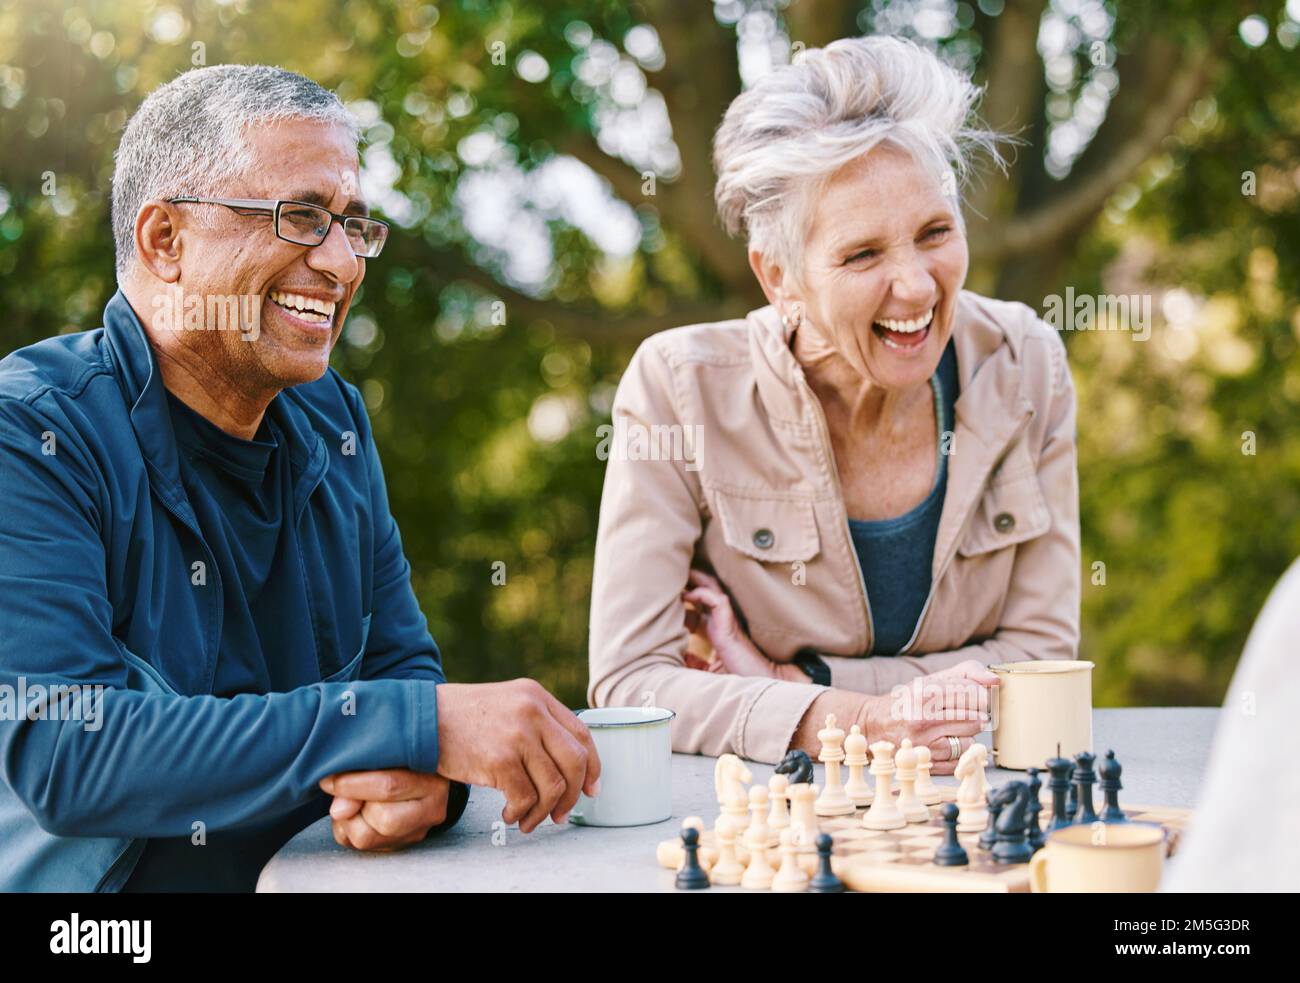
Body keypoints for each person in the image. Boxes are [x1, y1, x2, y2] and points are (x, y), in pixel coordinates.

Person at [0, 65, 598, 892]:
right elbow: (69, 751)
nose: (342, 262)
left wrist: (430, 787)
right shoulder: (32, 430)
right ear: (164, 240)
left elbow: (404, 680)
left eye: (354, 225)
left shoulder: (335, 425)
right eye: (303, 217)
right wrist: (408, 728)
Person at [588, 36, 1080, 767]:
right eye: (863, 254)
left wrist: (799, 684)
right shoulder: (678, 387)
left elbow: (1042, 658)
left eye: (935, 232)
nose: (915, 286)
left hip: (979, 803)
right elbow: (630, 684)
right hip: (771, 822)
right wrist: (859, 718)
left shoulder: (1026, 363)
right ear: (778, 275)